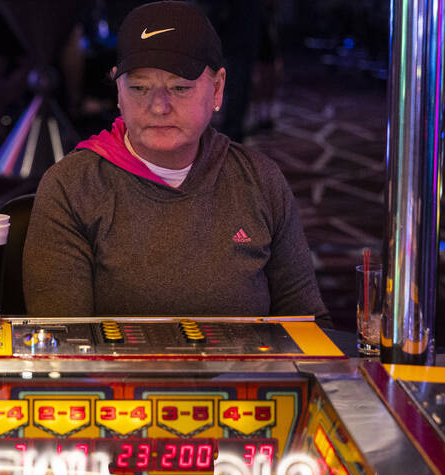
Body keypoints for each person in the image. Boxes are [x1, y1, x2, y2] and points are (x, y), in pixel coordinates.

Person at [22, 1, 328, 325]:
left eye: (180, 87)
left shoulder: (259, 181)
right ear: (117, 90)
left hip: (242, 377)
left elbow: (309, 326)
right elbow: (62, 346)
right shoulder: (72, 186)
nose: (158, 106)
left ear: (218, 89)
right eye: (139, 87)